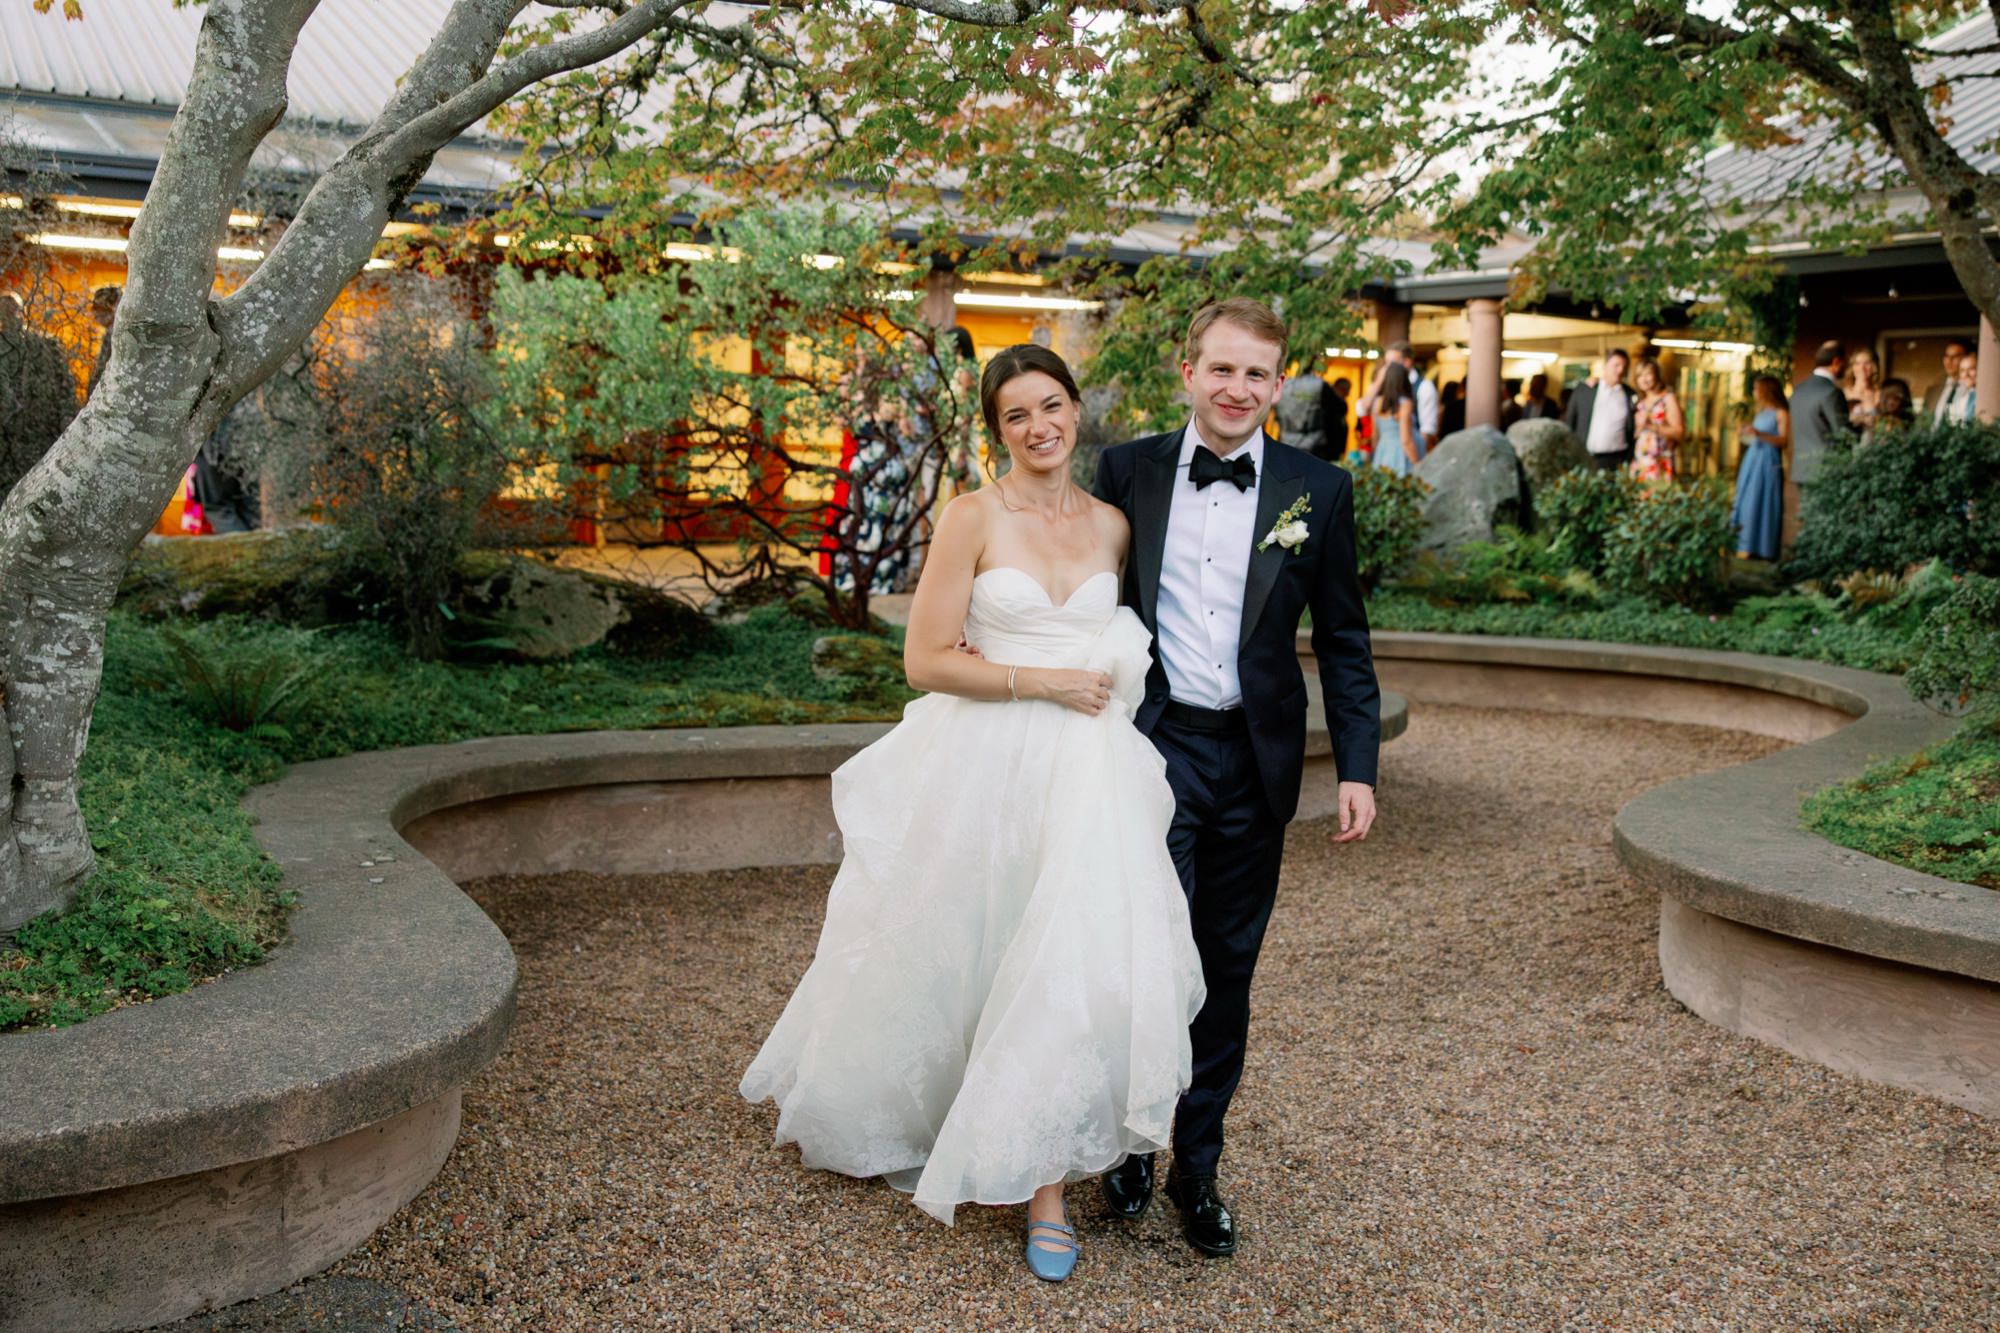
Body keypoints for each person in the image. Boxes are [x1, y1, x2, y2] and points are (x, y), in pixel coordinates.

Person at [743, 344, 1206, 1282]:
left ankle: (1042, 1183)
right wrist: (1037, 679)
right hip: (988, 755)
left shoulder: (1115, 526)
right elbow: (924, 660)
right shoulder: (970, 516)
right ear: (996, 430)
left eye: (1051, 406)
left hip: (1089, 771)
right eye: (1015, 417)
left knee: (1065, 956)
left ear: (1077, 410)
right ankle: (949, 1107)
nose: (1038, 428)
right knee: (970, 945)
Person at [1093, 297, 1381, 1259]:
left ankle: (1196, 1166)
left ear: (1280, 383)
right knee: (1140, 958)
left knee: (1225, 970)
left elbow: (1343, 640)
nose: (1237, 388)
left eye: (1257, 373)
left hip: (1256, 763)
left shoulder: (1320, 489)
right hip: (1153, 744)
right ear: (1188, 372)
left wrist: (1358, 767)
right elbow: (1079, 589)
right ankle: (1124, 1144)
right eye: (1222, 369)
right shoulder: (1125, 470)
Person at [0, 291, 80, 501]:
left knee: (37, 493)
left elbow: (66, 387)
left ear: (22, 313)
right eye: (4, 311)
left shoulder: (46, 346)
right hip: (6, 441)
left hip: (39, 436)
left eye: (13, 310)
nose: (9, 316)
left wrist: (67, 421)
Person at [1790, 340, 1850, 518]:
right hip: (1826, 472)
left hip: (1801, 469)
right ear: (1836, 362)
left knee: (1809, 523)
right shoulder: (1831, 392)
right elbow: (1844, 436)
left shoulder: (1798, 390)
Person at [1731, 376, 1788, 561]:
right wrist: (1746, 432)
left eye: (1756, 388)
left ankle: (1764, 548)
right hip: (1753, 459)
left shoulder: (1781, 413)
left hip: (1768, 461)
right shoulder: (1761, 412)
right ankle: (1746, 545)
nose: (1754, 392)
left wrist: (1760, 434)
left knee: (1763, 500)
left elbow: (1783, 440)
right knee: (1747, 501)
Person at [1563, 348, 1637, 470]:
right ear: (1606, 365)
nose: (1620, 370)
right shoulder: (1585, 389)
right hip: (1586, 456)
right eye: (1616, 365)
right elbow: (1570, 422)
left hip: (1617, 458)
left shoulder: (1630, 394)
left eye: (1624, 367)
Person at [1629, 356, 1684, 481]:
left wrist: (1650, 425)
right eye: (1640, 375)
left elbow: (1679, 432)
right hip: (1640, 462)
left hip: (1659, 463)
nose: (1644, 379)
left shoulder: (1668, 398)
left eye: (1648, 374)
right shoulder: (1640, 401)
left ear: (1656, 375)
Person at [1369, 360, 1421, 477]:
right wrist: (1419, 464)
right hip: (1401, 457)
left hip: (1382, 455)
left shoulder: (1378, 402)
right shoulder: (1404, 404)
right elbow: (1406, 441)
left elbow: (1375, 438)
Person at [1924, 339, 1971, 422]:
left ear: (1966, 358)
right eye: (1946, 356)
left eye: (1955, 356)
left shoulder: (1972, 389)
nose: (1949, 360)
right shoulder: (1932, 391)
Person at [1865, 377, 1915, 444]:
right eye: (1887, 398)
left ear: (1905, 401)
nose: (1891, 402)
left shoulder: (1911, 423)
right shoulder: (1874, 419)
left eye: (1896, 398)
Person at [1844, 346, 1882, 431]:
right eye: (1857, 363)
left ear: (1874, 366)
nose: (1862, 368)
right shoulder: (1844, 394)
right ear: (1852, 367)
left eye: (1867, 363)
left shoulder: (1879, 393)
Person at [1325, 376, 1351, 460]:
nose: (1348, 394)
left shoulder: (1341, 401)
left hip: (1338, 446)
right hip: (1331, 445)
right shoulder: (1331, 401)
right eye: (1347, 390)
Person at [1949, 351, 1979, 423]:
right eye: (1962, 370)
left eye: (1971, 369)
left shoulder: (1991, 398)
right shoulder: (1959, 401)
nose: (1966, 374)